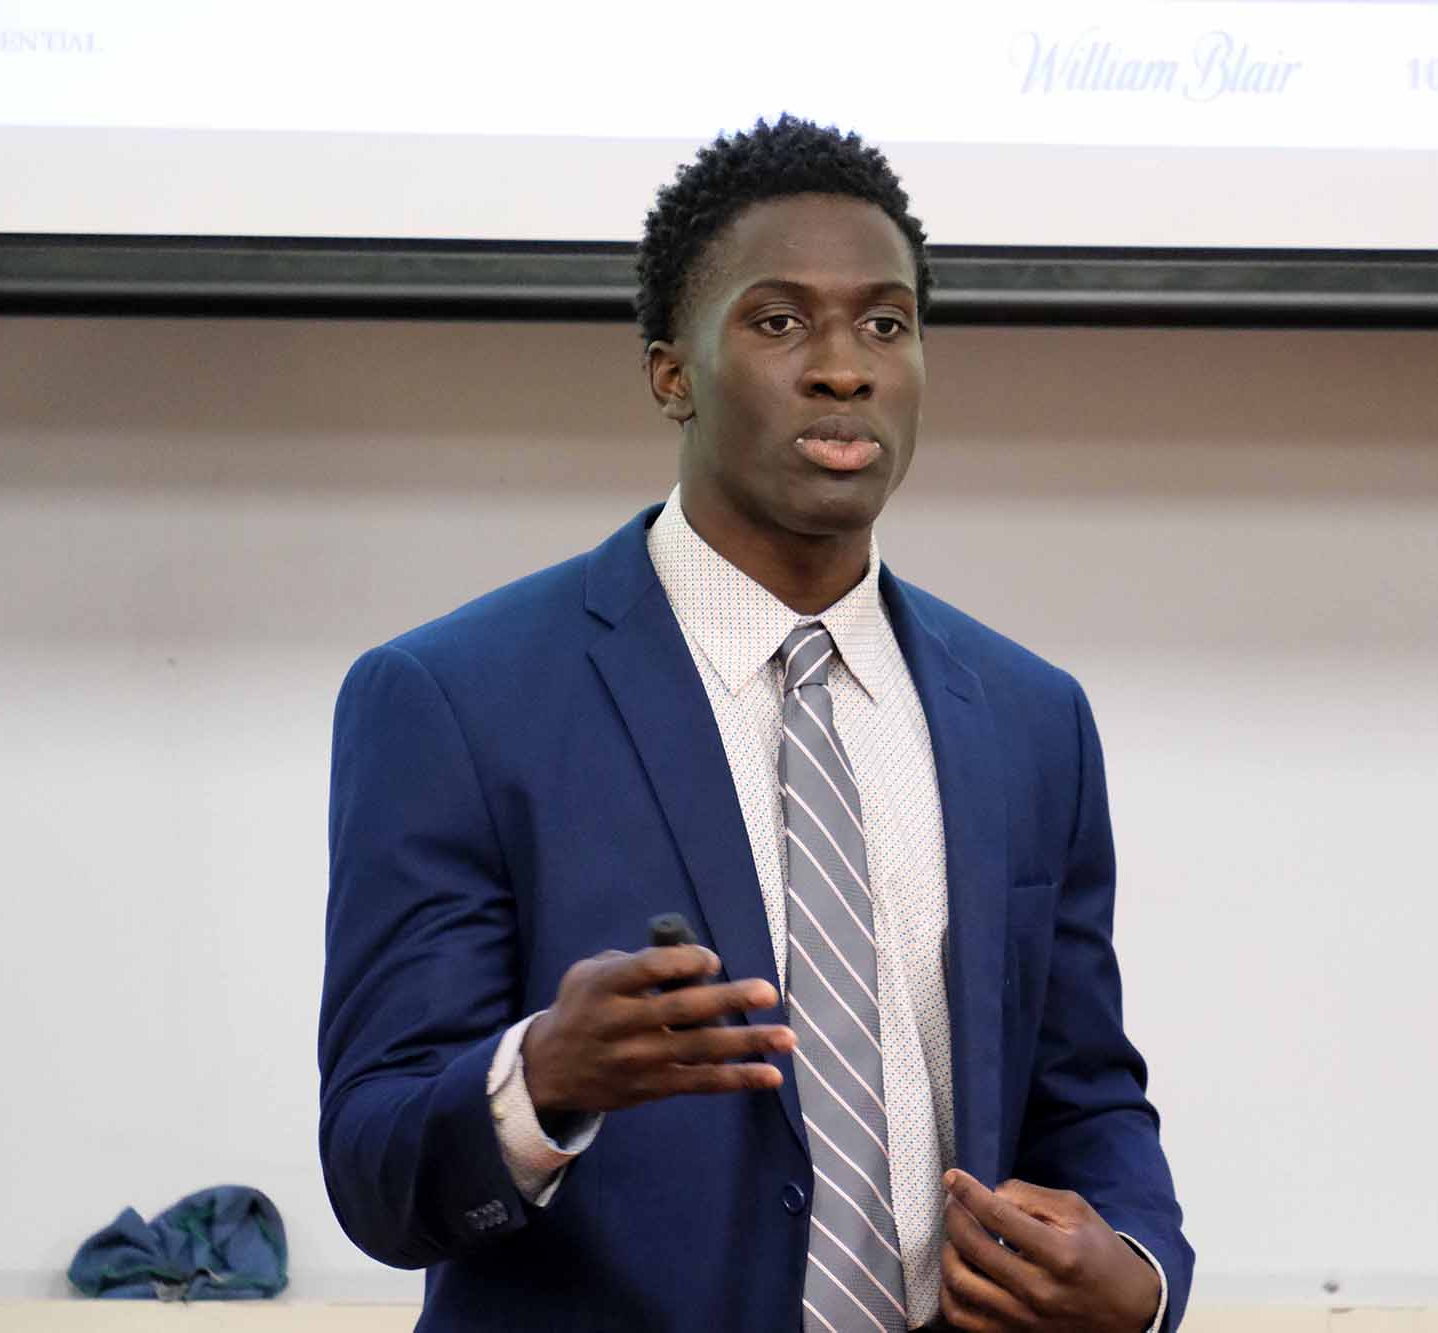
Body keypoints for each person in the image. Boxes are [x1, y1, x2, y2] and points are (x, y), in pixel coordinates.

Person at [318, 114, 1191, 1332]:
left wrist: (1138, 1278)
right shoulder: (454, 700)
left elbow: (1084, 1095)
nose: (845, 366)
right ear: (670, 370)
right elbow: (374, 1166)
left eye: (885, 323)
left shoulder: (1031, 717)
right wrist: (543, 1081)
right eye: (779, 322)